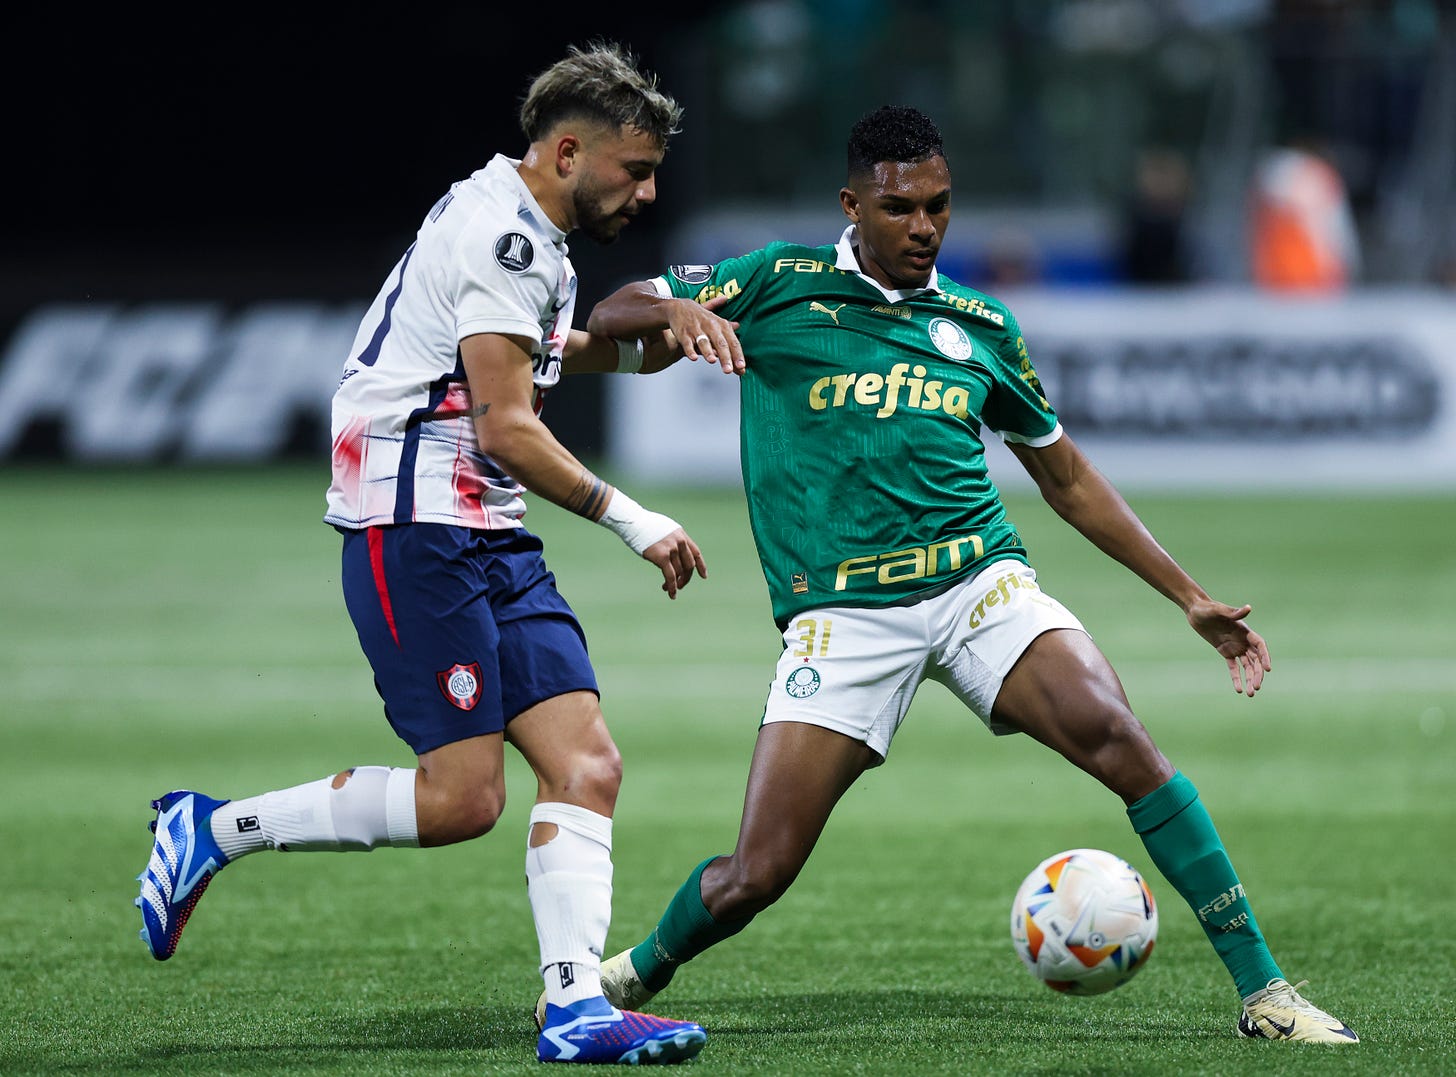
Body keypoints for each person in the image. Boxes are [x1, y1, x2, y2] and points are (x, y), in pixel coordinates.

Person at [553, 104, 1359, 1046]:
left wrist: (1188, 595)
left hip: (978, 582)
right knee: (756, 872)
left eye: (939, 206)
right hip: (845, 615)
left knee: (1118, 732)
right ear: (853, 205)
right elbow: (610, 316)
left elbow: (1066, 477)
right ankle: (632, 969)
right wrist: (679, 308)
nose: (925, 227)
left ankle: (1263, 991)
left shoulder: (979, 322)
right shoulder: (774, 280)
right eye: (900, 209)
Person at [134, 42, 711, 1066]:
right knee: (462, 801)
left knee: (586, 765)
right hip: (414, 523)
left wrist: (647, 334)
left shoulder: (526, 225)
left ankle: (575, 1009)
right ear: (568, 150)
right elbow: (504, 425)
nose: (649, 190)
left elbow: (536, 354)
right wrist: (637, 520)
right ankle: (210, 832)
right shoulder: (503, 236)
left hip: (484, 523)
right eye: (635, 169)